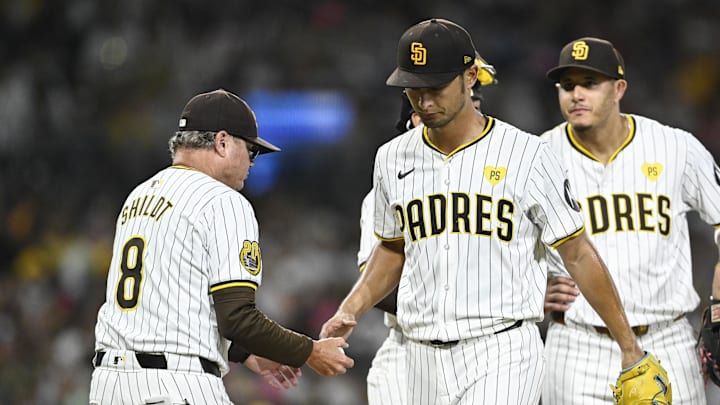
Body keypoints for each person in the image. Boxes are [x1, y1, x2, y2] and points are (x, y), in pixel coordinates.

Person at [321, 18, 664, 404]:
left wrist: (629, 347)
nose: (425, 101)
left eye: (436, 87)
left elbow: (578, 252)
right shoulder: (391, 158)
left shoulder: (528, 154)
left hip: (501, 349)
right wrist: (351, 308)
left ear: (470, 76)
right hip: (418, 355)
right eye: (414, 90)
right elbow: (391, 249)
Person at [89, 89, 354, 404]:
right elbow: (238, 318)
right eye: (251, 151)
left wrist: (243, 353)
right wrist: (309, 351)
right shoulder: (222, 200)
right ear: (223, 142)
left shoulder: (139, 195)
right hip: (176, 386)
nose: (252, 164)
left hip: (110, 385)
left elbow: (172, 306)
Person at [541, 37, 720, 404]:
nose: (576, 94)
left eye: (590, 84)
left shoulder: (674, 147)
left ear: (619, 88)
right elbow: (501, 247)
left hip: (666, 339)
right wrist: (530, 290)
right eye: (568, 85)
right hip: (578, 346)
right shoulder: (539, 155)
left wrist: (719, 299)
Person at [360, 57, 497, 405]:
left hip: (487, 347)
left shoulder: (497, 187)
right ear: (412, 119)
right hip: (409, 351)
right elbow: (378, 285)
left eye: (476, 109)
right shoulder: (385, 191)